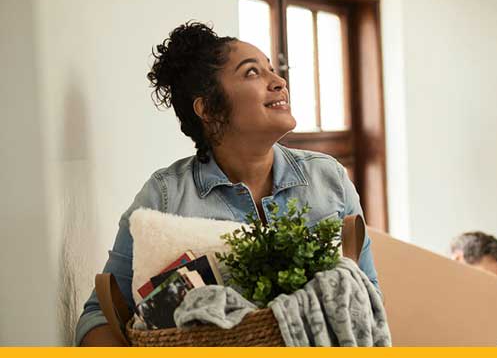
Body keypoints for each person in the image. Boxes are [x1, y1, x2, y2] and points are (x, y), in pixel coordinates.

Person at [75, 22, 379, 346]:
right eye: (252, 73)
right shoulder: (165, 197)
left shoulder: (329, 179)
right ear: (207, 108)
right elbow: (97, 317)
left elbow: (369, 299)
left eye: (272, 70)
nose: (279, 82)